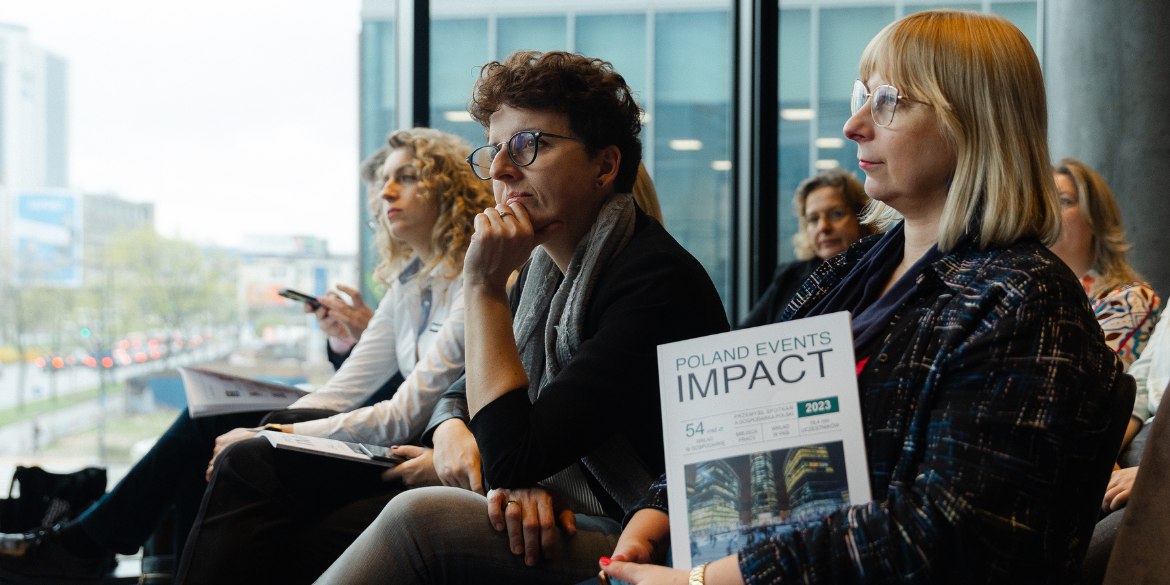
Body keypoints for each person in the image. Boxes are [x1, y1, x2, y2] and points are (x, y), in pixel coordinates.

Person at [599, 10, 1127, 585]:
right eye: (862, 96)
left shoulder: (1024, 296)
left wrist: (710, 579)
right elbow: (744, 416)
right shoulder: (848, 270)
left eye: (888, 101)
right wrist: (658, 510)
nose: (853, 125)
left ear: (971, 122)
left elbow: (947, 530)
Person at [314, 50, 730, 585]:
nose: (500, 169)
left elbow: (513, 454)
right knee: (318, 509)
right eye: (494, 150)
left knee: (417, 521)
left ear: (605, 166)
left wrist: (482, 286)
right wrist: (454, 430)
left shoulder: (654, 279)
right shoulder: (541, 269)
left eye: (529, 144)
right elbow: (462, 394)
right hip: (566, 499)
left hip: (651, 534)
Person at [0, 145, 405, 584]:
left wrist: (367, 333)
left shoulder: (428, 288)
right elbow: (359, 384)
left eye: (389, 201)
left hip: (386, 438)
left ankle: (84, 547)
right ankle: (106, 551)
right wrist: (348, 340)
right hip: (365, 419)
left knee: (212, 427)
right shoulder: (408, 285)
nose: (385, 212)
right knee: (210, 420)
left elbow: (408, 399)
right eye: (376, 211)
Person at [170, 127, 494, 584]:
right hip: (401, 442)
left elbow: (403, 415)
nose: (386, 192)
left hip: (424, 449)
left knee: (251, 458)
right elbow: (343, 390)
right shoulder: (408, 283)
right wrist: (277, 427)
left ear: (451, 189)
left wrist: (273, 434)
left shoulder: (477, 279)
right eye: (384, 181)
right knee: (257, 440)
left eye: (406, 176)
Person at [1049, 157, 1161, 368]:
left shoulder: (1130, 299)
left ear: (1096, 219)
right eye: (1045, 202)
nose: (1049, 212)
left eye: (1064, 201)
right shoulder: (1033, 294)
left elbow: (1085, 377)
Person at [740, 168, 876, 328]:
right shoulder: (788, 276)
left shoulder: (879, 269)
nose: (823, 227)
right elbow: (742, 335)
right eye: (813, 219)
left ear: (861, 215)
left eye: (836, 214)